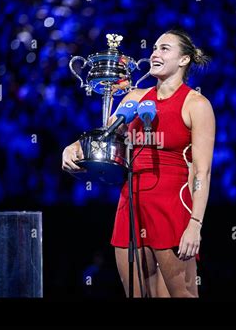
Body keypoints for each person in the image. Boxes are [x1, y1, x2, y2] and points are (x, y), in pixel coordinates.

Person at [62, 29, 215, 297]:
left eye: (164, 48)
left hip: (172, 208)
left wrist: (195, 224)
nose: (155, 53)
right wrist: (74, 147)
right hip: (131, 204)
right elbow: (105, 136)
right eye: (154, 47)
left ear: (184, 60)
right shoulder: (133, 99)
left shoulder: (196, 104)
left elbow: (202, 171)